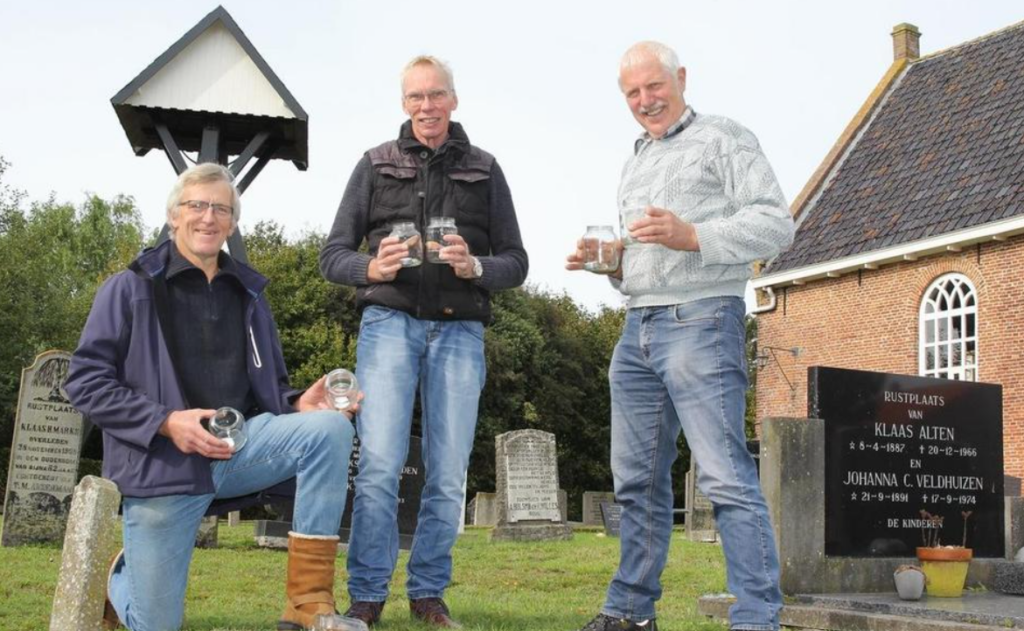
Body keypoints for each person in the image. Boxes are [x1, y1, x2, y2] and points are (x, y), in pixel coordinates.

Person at [65, 163, 357, 631]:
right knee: (157, 623)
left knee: (329, 427)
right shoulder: (129, 288)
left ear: (232, 223)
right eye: (196, 205)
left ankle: (308, 604)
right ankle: (121, 578)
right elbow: (85, 381)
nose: (208, 217)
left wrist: (299, 402)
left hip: (236, 450)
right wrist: (165, 421)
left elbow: (271, 387)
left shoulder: (250, 295)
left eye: (221, 208)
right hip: (162, 466)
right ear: (173, 216)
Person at [566, 41, 795, 631]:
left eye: (654, 87)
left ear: (681, 78)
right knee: (636, 479)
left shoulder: (725, 138)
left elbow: (776, 224)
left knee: (722, 476)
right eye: (632, 94)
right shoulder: (635, 158)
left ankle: (756, 618)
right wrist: (612, 262)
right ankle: (630, 613)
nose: (645, 101)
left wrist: (693, 234)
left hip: (701, 320)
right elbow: (641, 261)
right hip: (636, 327)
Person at [320, 55, 528, 627]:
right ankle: (366, 594)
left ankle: (428, 592)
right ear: (403, 104)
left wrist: (475, 268)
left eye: (436, 95)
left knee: (448, 470)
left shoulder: (485, 169)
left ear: (454, 100)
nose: (426, 107)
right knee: (381, 465)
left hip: (460, 331)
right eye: (415, 97)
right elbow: (332, 256)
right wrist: (374, 268)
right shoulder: (374, 164)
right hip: (388, 325)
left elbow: (517, 262)